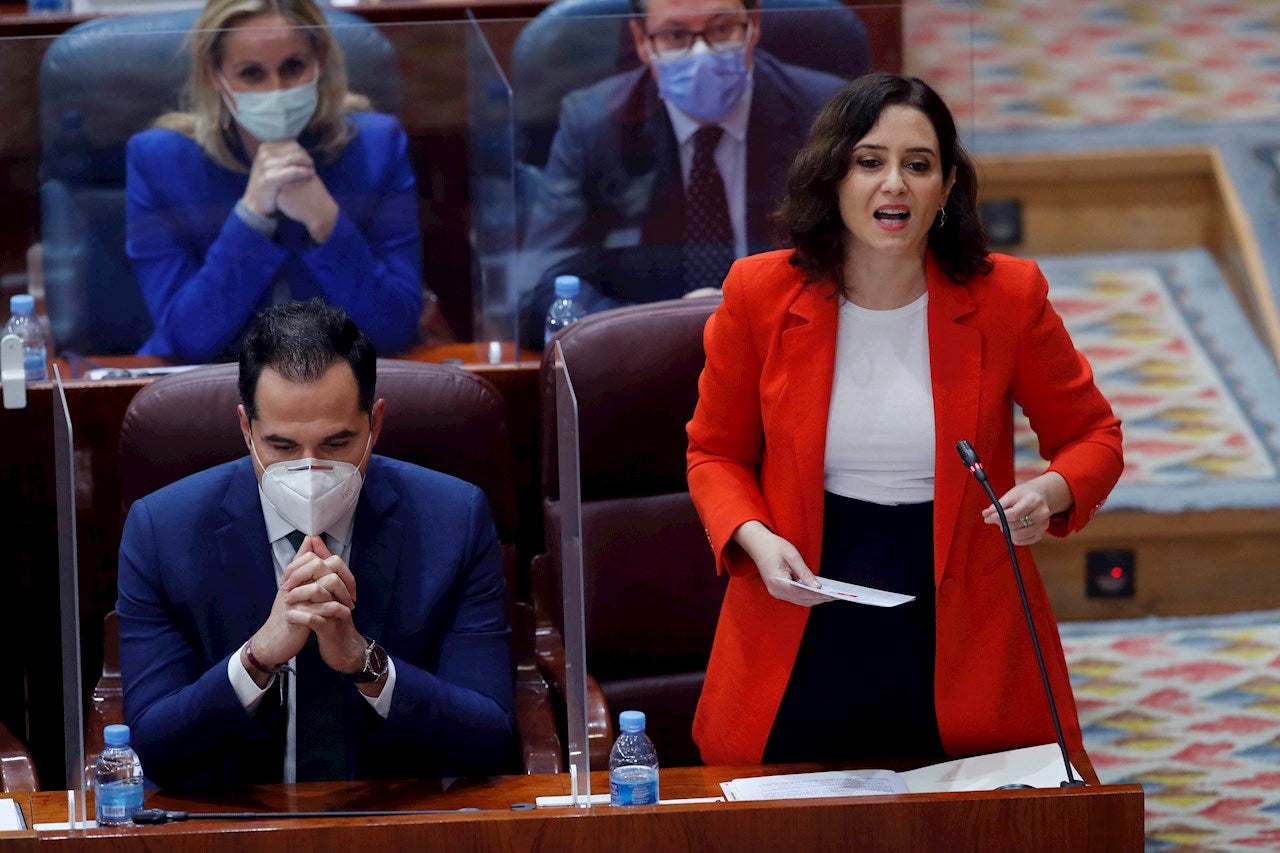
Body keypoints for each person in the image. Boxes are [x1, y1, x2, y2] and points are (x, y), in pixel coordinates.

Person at [686, 72, 1124, 766]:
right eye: (870, 161)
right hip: (802, 609)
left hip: (962, 624)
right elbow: (714, 453)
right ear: (833, 176)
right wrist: (755, 537)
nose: (894, 183)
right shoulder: (760, 294)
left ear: (946, 189)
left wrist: (1050, 492)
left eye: (918, 165)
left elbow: (1093, 436)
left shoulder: (1008, 296)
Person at [116, 300, 514, 789]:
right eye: (282, 447)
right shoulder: (161, 530)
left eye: (336, 444)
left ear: (375, 425)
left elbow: (491, 736)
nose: (309, 468)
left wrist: (365, 662)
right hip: (234, 824)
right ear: (246, 429)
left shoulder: (454, 520)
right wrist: (257, 658)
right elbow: (151, 745)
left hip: (396, 819)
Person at [517, 0, 857, 348]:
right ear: (642, 42)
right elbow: (538, 291)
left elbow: (865, 265)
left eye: (721, 29)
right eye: (675, 34)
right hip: (651, 361)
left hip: (788, 345)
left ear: (753, 24)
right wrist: (656, 326)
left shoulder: (826, 116)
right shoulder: (594, 126)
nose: (701, 54)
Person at [126, 0, 424, 363]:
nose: (276, 90)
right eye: (252, 73)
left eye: (293, 67)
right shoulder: (160, 162)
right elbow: (187, 339)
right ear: (215, 75)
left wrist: (326, 222)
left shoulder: (377, 147)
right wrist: (251, 217)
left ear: (320, 60)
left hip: (338, 389)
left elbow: (394, 331)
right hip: (213, 390)